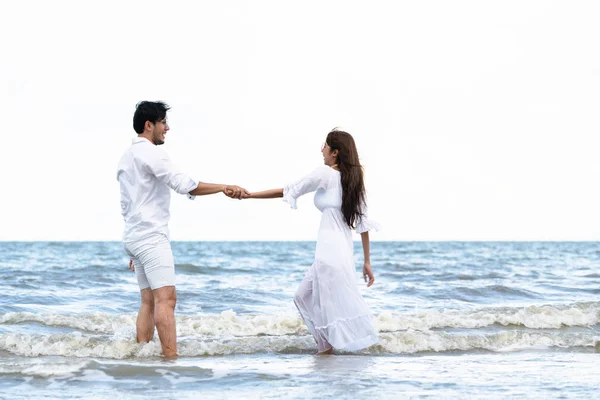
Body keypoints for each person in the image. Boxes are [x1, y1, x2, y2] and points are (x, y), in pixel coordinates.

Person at [117, 101, 248, 359]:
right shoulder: (152, 153)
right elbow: (184, 184)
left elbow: (125, 205)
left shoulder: (125, 158)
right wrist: (223, 187)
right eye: (163, 122)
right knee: (167, 300)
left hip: (134, 237)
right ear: (149, 125)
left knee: (148, 300)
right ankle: (170, 359)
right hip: (151, 237)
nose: (168, 128)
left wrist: (134, 250)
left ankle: (142, 356)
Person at [246, 129, 379, 354]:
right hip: (340, 253)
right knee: (303, 297)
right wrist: (366, 261)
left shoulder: (327, 174)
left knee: (323, 305)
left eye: (325, 146)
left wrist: (250, 195)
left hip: (329, 254)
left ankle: (326, 352)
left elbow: (290, 190)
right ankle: (326, 349)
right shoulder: (353, 181)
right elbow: (364, 225)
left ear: (335, 152)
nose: (322, 150)